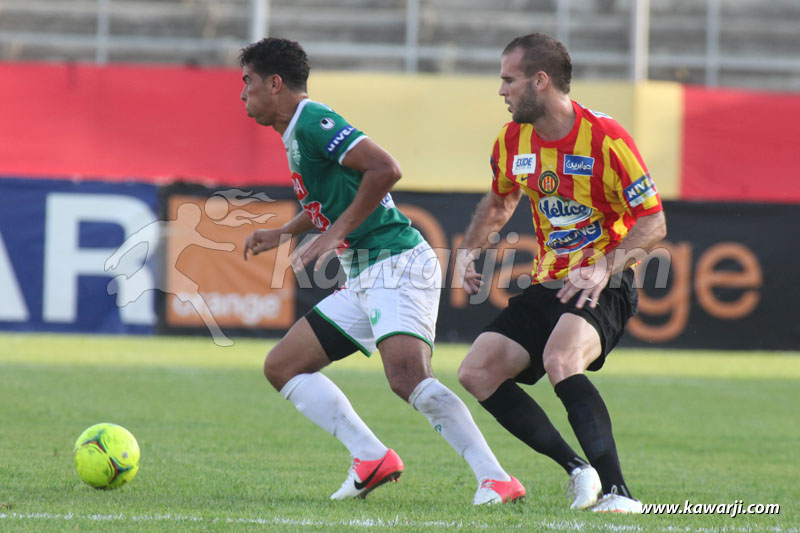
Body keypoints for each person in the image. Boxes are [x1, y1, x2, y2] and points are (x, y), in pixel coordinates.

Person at [239, 37, 524, 505]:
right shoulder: (295, 132)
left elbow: (386, 169)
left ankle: (496, 478)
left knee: (408, 377)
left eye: (247, 82)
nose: (242, 94)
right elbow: (334, 199)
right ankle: (370, 457)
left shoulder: (312, 121)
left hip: (396, 263)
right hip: (366, 273)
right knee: (284, 366)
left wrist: (333, 236)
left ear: (274, 83)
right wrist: (287, 231)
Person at [454, 33, 666, 513]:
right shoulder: (512, 139)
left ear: (540, 80)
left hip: (603, 283)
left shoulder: (605, 138)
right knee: (477, 371)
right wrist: (469, 251)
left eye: (509, 79)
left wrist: (604, 267)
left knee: (560, 359)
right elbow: (502, 199)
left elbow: (653, 220)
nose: (501, 90)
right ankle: (579, 470)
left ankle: (619, 493)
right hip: (549, 283)